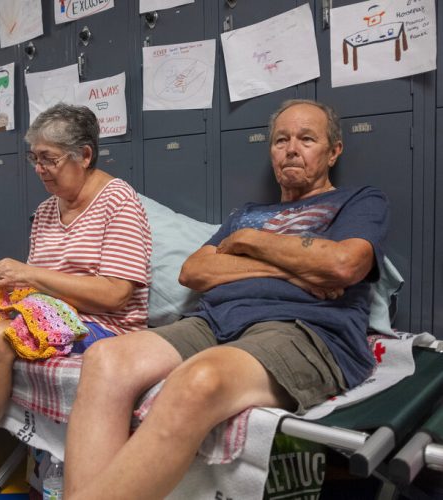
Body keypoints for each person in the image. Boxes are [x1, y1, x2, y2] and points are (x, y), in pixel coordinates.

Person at [63, 99, 389, 499]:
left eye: (307, 139)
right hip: (214, 321)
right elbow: (195, 272)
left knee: (199, 380)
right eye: (281, 139)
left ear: (333, 151)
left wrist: (249, 244)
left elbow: (342, 265)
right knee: (105, 359)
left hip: (302, 329)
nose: (291, 149)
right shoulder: (246, 215)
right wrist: (293, 267)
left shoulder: (359, 201)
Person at [0, 104, 152, 500]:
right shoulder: (45, 210)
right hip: (53, 312)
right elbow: (37, 288)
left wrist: (30, 274)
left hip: (105, 322)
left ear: (86, 156)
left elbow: (116, 293)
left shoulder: (118, 201)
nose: (40, 169)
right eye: (34, 159)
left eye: (49, 159)